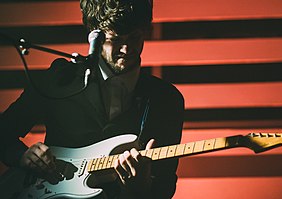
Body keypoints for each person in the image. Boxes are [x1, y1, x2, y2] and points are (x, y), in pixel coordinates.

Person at [0, 0, 184, 198]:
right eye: (116, 39)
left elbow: (164, 187)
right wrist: (23, 156)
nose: (126, 48)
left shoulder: (166, 99)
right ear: (94, 36)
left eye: (135, 37)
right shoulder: (60, 78)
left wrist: (138, 187)